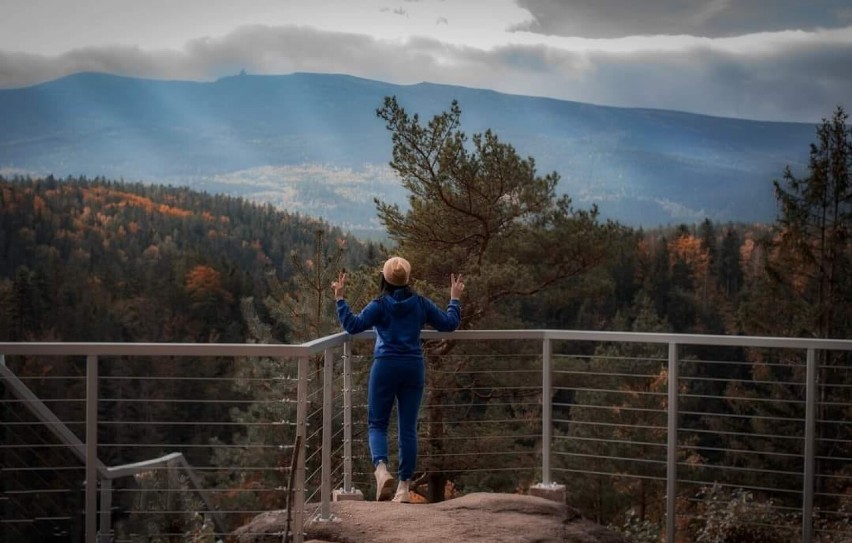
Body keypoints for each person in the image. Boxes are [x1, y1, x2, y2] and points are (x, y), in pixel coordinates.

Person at [331, 256, 464, 503]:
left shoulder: (379, 305)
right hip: (413, 368)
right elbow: (449, 324)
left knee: (377, 424)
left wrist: (340, 298)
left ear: (384, 279)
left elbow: (352, 325)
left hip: (385, 367)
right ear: (407, 279)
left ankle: (381, 471)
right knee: (408, 428)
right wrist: (454, 298)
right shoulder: (420, 304)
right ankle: (403, 488)